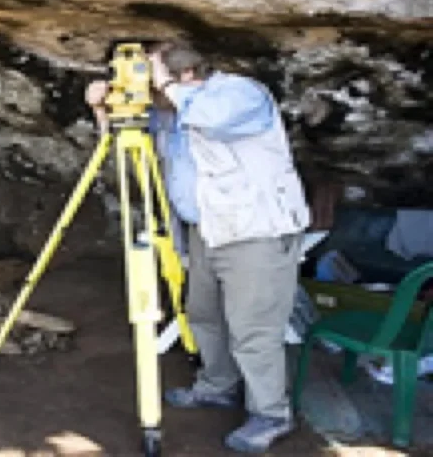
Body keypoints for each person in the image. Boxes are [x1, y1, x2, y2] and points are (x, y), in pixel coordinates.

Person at [85, 44, 311, 454]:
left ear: (186, 73)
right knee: (203, 314)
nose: (146, 88)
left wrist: (164, 82)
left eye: (150, 77)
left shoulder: (239, 93)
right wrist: (103, 108)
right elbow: (123, 143)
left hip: (255, 231)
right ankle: (218, 385)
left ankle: (271, 414)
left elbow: (209, 117)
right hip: (206, 229)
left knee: (253, 329)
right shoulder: (169, 111)